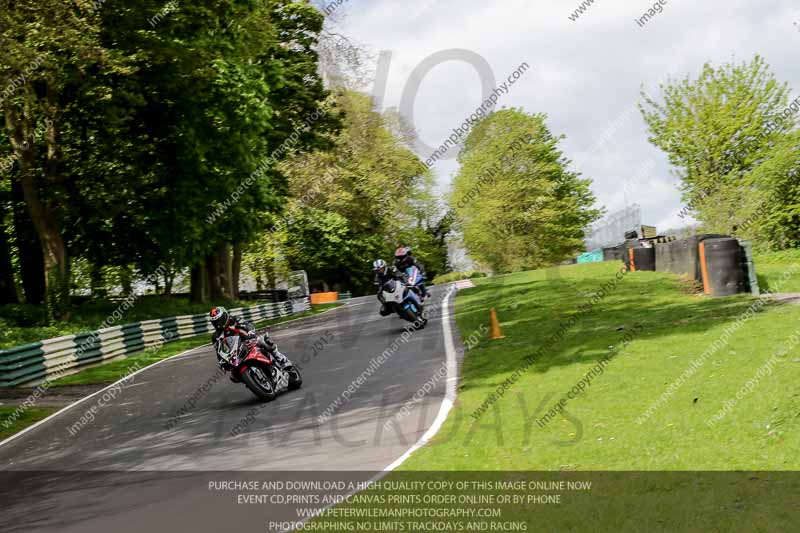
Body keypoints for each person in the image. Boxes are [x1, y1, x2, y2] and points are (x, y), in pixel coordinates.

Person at [209, 306, 289, 374]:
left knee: (263, 341)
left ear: (225, 316)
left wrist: (251, 333)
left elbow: (247, 325)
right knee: (233, 376)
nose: (219, 324)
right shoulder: (216, 336)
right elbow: (219, 351)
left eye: (220, 320)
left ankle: (282, 360)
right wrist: (222, 362)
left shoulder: (234, 320)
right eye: (216, 323)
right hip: (235, 353)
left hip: (248, 340)